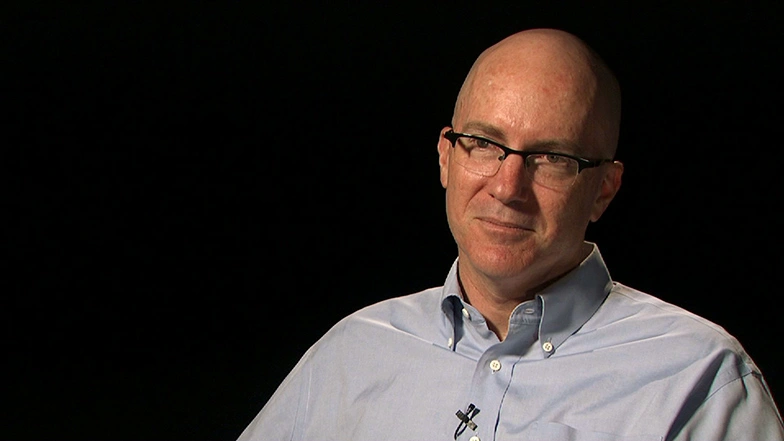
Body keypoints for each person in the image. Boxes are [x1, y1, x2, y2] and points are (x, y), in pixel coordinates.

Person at [237, 28, 784, 440]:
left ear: (604, 190)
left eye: (550, 157)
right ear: (446, 159)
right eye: (484, 143)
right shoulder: (352, 353)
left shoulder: (701, 379)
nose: (508, 186)